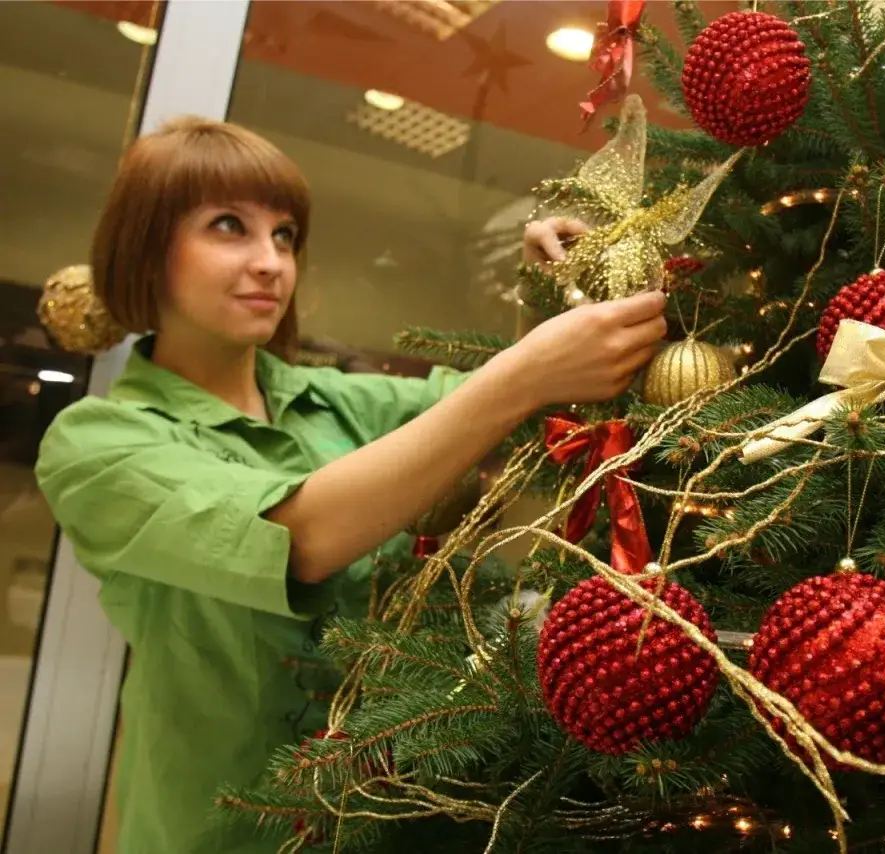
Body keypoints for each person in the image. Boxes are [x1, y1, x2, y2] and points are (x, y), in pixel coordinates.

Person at [34, 116, 667, 853]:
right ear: (144, 250)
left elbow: (489, 414)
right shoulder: (98, 443)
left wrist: (546, 291)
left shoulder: (336, 400)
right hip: (219, 831)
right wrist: (522, 374)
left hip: (390, 819)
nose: (270, 262)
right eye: (229, 226)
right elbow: (299, 539)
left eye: (285, 236)